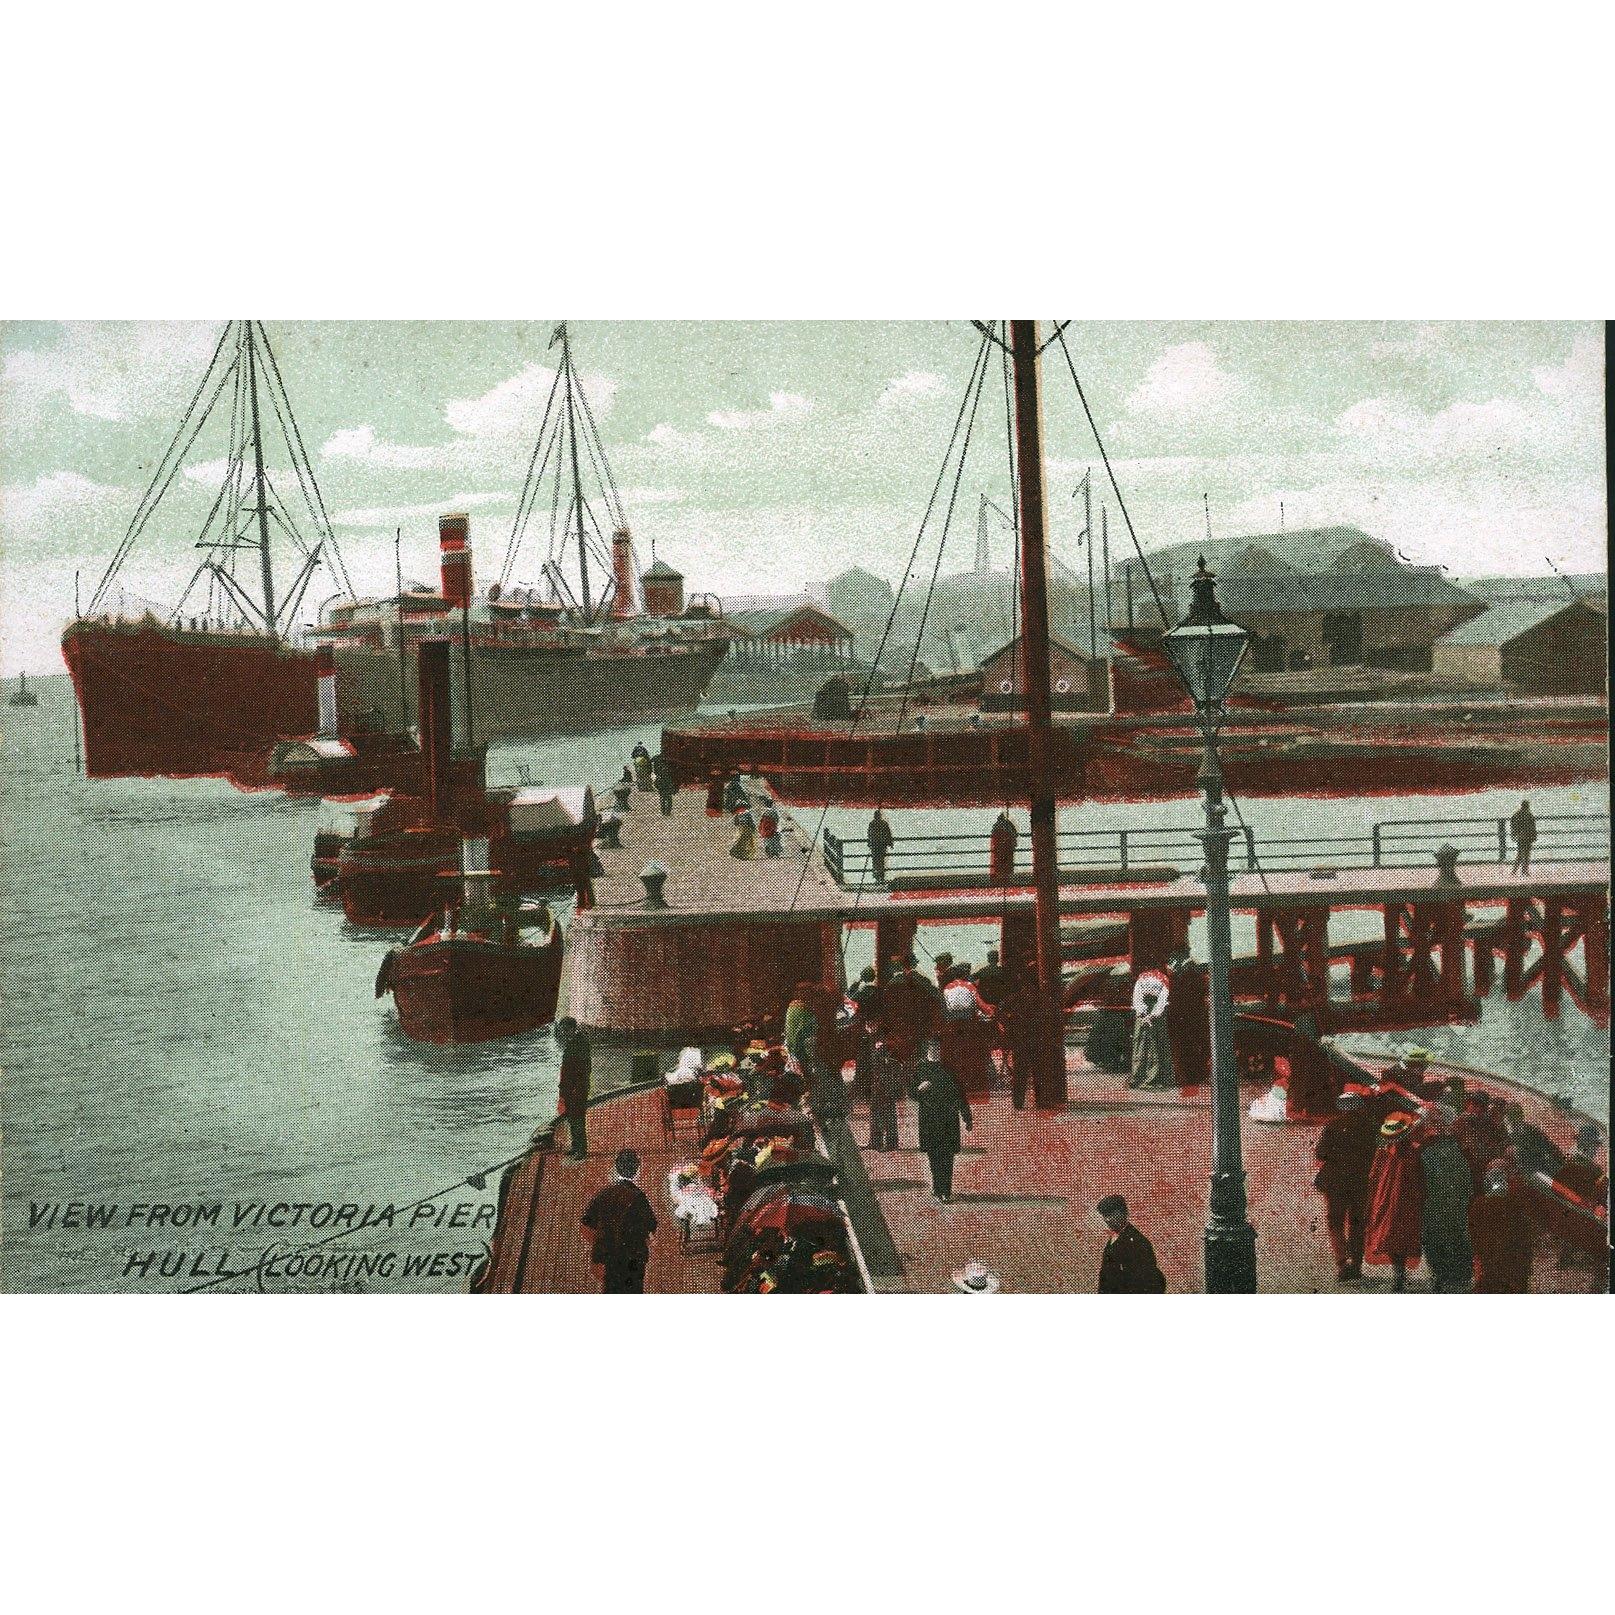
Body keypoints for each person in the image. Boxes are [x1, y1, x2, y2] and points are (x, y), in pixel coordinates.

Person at [1313, 1087, 1378, 1281]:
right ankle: (1356, 1265)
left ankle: (1342, 1262)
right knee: (1358, 1223)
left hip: (1335, 1181)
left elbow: (1320, 1153)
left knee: (1335, 1222)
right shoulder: (1370, 1126)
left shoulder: (1333, 1125)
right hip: (1360, 1180)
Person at [580, 1148, 658, 1293]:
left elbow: (586, 1225)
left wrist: (599, 1242)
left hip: (607, 1258)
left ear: (615, 1168)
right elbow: (651, 1226)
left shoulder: (603, 1194)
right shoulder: (639, 1197)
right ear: (637, 1170)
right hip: (633, 1258)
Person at [1363, 1112, 1425, 1291]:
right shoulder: (1415, 1152)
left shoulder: (1383, 1152)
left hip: (1386, 1198)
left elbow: (1373, 1176)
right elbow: (1420, 1178)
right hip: (1408, 1199)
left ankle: (1398, 1273)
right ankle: (1400, 1273)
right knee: (1405, 1234)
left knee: (1389, 1233)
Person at [1418, 1106, 1475, 1292]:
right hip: (1454, 1202)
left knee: (1435, 1238)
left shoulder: (1426, 1151)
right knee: (1457, 1235)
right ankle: (1460, 1275)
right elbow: (1466, 1178)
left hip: (1434, 1203)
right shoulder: (1457, 1149)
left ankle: (1442, 1276)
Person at [911, 1036, 972, 1203]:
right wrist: (919, 1089)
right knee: (934, 1154)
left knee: (947, 1155)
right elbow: (911, 1093)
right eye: (932, 1047)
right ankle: (938, 1187)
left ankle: (945, 1190)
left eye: (937, 1047)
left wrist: (967, 1116)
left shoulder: (949, 1068)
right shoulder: (920, 1068)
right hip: (929, 1118)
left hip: (948, 1118)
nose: (935, 1050)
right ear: (927, 1049)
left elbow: (960, 1093)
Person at [1468, 1163, 1533, 1293]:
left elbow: (1472, 1236)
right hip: (1510, 1268)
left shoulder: (1479, 1205)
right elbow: (1525, 1237)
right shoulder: (1515, 1204)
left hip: (1491, 1267)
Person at [941, 963, 994, 1100]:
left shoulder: (947, 987)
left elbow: (944, 1009)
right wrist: (991, 1009)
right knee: (977, 1050)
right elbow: (982, 1006)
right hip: (968, 1025)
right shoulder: (970, 986)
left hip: (952, 1026)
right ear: (965, 975)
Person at [1095, 1194, 1166, 1293]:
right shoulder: (1113, 1239)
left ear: (1124, 1213)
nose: (1107, 1220)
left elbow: (1151, 1281)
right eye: (1105, 1216)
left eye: (1111, 1214)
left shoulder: (1139, 1242)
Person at [1163, 945, 1210, 1087]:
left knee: (1186, 1048)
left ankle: (1190, 1077)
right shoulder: (1194, 971)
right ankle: (1196, 1075)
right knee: (1195, 1047)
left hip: (1184, 1018)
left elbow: (1175, 998)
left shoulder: (1180, 975)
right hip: (1195, 1017)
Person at [1128, 965, 1174, 1090]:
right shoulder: (1164, 978)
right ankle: (1152, 1078)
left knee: (1140, 1044)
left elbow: (1137, 998)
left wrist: (1143, 1014)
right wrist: (1152, 1016)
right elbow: (1162, 1000)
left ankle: (1137, 1077)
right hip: (1156, 1014)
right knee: (1156, 1044)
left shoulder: (1142, 977)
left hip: (1141, 1014)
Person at [556, 1016, 592, 1160]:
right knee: (572, 1117)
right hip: (570, 1088)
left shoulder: (580, 1043)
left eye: (565, 1030)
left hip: (577, 1089)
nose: (564, 1033)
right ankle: (576, 1145)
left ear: (572, 1029)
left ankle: (581, 1149)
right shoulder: (575, 1042)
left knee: (578, 1118)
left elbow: (584, 1069)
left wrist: (578, 1088)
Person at [1502, 1101, 1565, 1179]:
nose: (1516, 1119)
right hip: (1526, 1171)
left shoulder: (1531, 1129)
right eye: (1512, 1116)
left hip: (1540, 1164)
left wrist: (1561, 1158)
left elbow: (1548, 1144)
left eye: (1517, 1115)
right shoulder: (1502, 1132)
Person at [1558, 1124, 1607, 1205]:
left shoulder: (1566, 1161)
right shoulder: (1596, 1172)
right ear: (1590, 1146)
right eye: (1595, 1145)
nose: (1596, 1149)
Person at [1509, 798, 1537, 875]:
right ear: (1527, 806)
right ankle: (1524, 871)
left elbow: (1512, 825)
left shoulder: (1517, 814)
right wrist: (1534, 836)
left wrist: (1514, 834)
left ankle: (1514, 871)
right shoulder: (1529, 814)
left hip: (1520, 836)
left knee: (1520, 853)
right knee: (1527, 854)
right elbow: (1532, 827)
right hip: (1528, 837)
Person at [989, 810, 1019, 883]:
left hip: (998, 848)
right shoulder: (1009, 825)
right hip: (1007, 847)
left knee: (998, 863)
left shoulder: (996, 826)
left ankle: (998, 877)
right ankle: (1007, 877)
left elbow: (994, 838)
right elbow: (1014, 835)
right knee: (1007, 862)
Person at [867, 808, 894, 886]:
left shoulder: (872, 823)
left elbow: (869, 834)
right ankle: (881, 878)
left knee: (875, 862)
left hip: (875, 846)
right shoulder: (884, 823)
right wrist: (890, 843)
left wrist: (869, 843)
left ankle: (877, 878)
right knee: (881, 862)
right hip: (881, 845)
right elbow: (888, 834)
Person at [651, 751, 677, 815]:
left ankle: (663, 812)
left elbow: (651, 761)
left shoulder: (657, 759)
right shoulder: (669, 760)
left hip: (660, 780)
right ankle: (668, 812)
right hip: (668, 781)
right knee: (668, 797)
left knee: (662, 797)